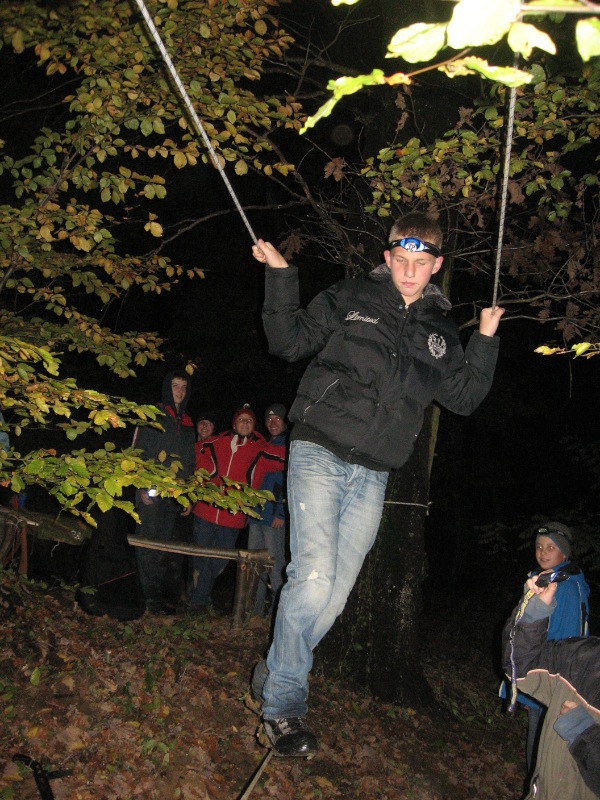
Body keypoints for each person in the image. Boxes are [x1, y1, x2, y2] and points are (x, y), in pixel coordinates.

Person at [250, 211, 504, 756]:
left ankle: (274, 672)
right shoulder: (351, 297)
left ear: (436, 267)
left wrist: (484, 338)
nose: (409, 272)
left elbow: (463, 399)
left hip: (374, 473)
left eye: (421, 263)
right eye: (401, 260)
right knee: (313, 578)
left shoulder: (440, 333)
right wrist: (280, 275)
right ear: (387, 258)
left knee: (335, 597)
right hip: (319, 449)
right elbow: (287, 341)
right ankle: (283, 707)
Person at [501, 521, 590, 774]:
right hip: (541, 675)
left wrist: (542, 686)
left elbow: (567, 641)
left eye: (551, 547)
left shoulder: (565, 587)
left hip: (552, 682)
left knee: (542, 751)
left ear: (565, 553)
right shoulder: (545, 580)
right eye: (539, 546)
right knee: (538, 744)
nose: (543, 552)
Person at [502, 575, 600, 799]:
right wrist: (533, 614)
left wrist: (584, 734)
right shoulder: (584, 657)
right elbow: (519, 668)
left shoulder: (573, 589)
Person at [187, 404, 285, 611]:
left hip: (233, 517)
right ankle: (197, 602)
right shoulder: (216, 442)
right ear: (234, 423)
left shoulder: (260, 449)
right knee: (200, 557)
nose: (245, 423)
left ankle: (198, 594)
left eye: (250, 421)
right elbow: (192, 454)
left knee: (221, 561)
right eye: (242, 419)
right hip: (205, 511)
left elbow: (285, 459)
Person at [132, 370, 195, 614]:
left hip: (173, 495)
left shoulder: (187, 424)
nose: (179, 391)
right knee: (147, 542)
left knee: (162, 546)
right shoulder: (153, 415)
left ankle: (155, 594)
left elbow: (189, 462)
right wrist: (141, 486)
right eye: (175, 385)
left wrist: (186, 495)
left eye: (183, 387)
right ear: (167, 388)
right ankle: (148, 596)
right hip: (151, 490)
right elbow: (138, 451)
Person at [248, 403, 289, 617]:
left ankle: (276, 615)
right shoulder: (264, 445)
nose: (273, 423)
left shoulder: (288, 446)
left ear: (284, 421)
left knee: (275, 565)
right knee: (255, 565)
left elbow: (289, 481)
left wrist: (281, 512)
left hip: (273, 517)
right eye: (269, 419)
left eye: (277, 419)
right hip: (256, 514)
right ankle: (254, 613)